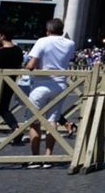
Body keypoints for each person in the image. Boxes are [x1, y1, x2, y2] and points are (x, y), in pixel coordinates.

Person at [24, 18, 75, 168]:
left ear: (48, 30)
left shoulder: (42, 41)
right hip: (60, 85)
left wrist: (26, 67)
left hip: (41, 85)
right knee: (52, 121)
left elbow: (31, 65)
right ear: (62, 30)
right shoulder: (70, 43)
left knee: (34, 121)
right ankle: (48, 156)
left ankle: (35, 158)